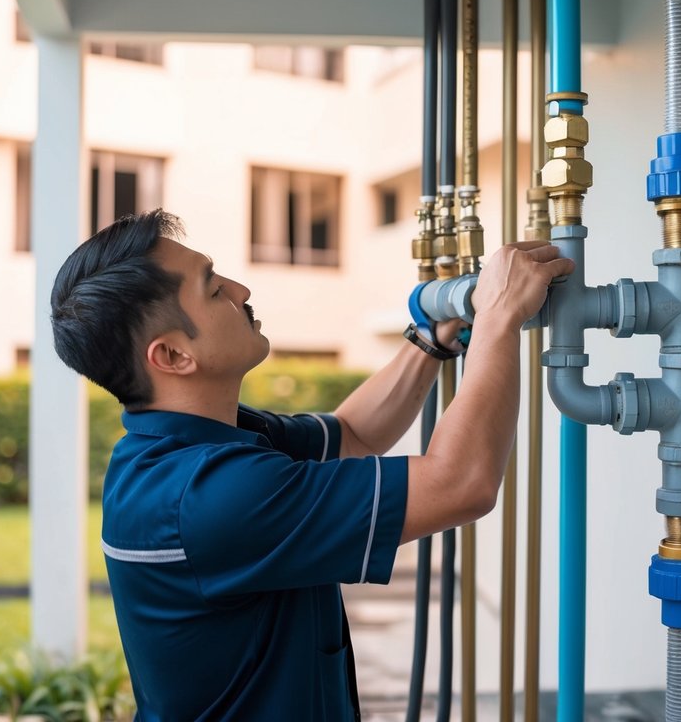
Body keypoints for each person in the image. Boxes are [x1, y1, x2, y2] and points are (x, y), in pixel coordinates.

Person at [49, 209, 573, 721]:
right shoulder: (209, 495)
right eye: (213, 290)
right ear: (172, 356)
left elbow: (355, 434)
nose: (241, 291)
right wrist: (501, 318)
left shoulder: (182, 449)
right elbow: (462, 484)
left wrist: (431, 341)